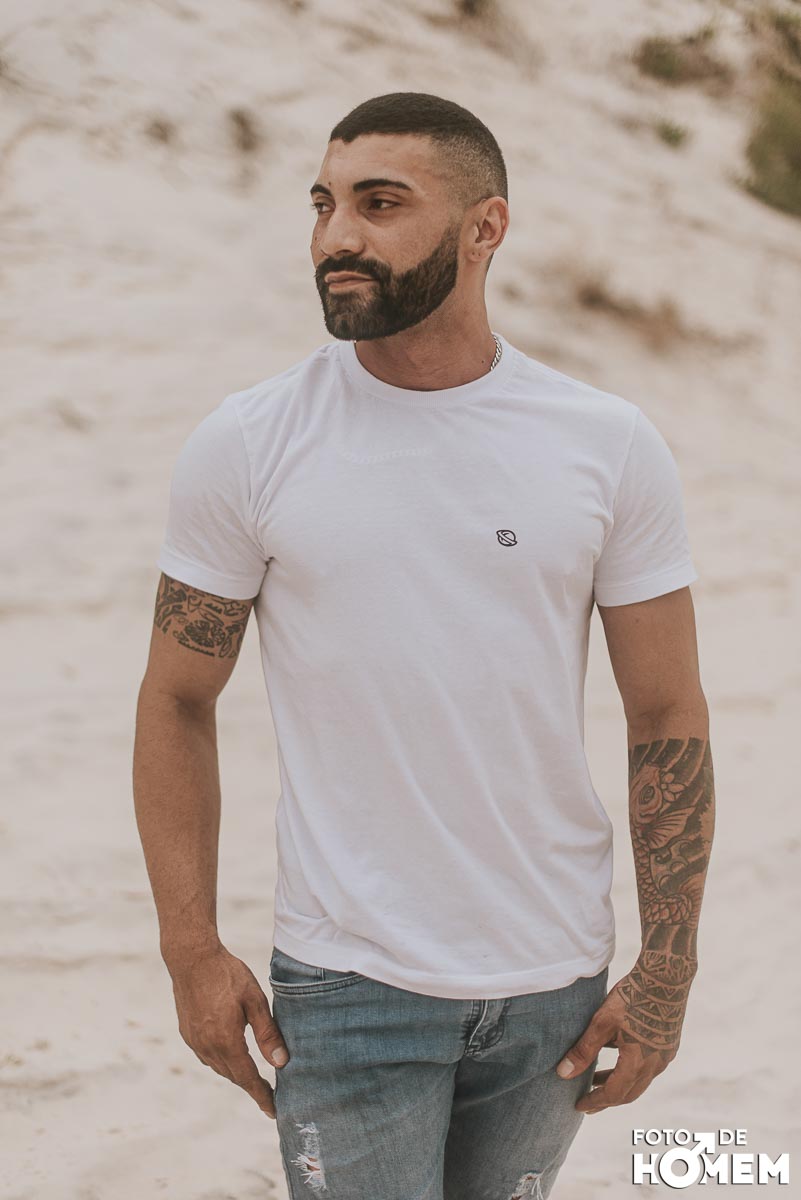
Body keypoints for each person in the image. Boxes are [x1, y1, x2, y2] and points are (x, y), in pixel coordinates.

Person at [133, 92, 715, 1199]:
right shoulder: (249, 443)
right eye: (323, 205)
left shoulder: (605, 444)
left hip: (553, 982)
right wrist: (190, 947)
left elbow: (666, 711)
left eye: (380, 204)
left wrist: (669, 965)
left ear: (485, 227)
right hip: (348, 983)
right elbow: (175, 698)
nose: (336, 236)